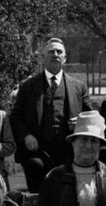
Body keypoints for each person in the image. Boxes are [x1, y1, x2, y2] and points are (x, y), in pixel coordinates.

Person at [8, 37, 92, 191]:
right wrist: (26, 136)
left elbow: (90, 118)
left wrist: (79, 124)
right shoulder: (28, 86)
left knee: (67, 196)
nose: (55, 54)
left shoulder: (79, 87)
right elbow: (15, 117)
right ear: (43, 57)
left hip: (69, 151)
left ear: (65, 58)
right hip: (38, 151)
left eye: (59, 52)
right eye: (51, 52)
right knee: (36, 182)